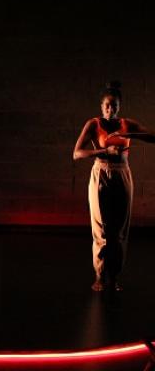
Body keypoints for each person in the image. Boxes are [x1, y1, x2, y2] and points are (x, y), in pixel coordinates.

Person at [73, 81, 155, 291]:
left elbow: (150, 136)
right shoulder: (93, 124)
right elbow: (77, 153)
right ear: (102, 106)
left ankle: (114, 276)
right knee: (100, 228)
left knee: (120, 229)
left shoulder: (127, 125)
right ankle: (100, 276)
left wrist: (134, 135)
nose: (111, 109)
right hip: (100, 173)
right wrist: (102, 152)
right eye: (107, 105)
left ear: (119, 106)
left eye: (115, 106)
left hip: (122, 174)